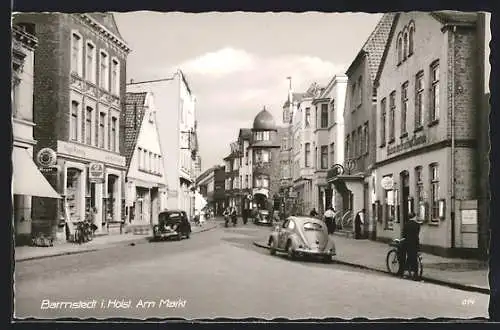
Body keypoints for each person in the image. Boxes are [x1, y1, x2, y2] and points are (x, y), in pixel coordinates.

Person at [401, 213, 422, 279]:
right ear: (414, 217)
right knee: (414, 257)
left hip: (407, 243)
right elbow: (417, 235)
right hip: (414, 243)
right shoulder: (417, 225)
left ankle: (406, 272)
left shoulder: (406, 224)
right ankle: (414, 273)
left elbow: (403, 235)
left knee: (409, 257)